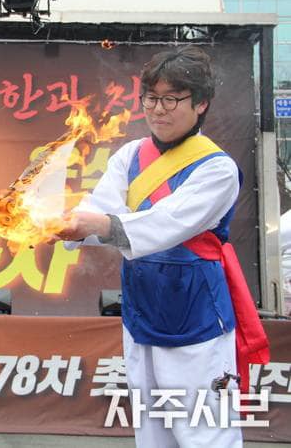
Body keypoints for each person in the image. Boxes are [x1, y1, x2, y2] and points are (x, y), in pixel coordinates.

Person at [54, 46, 269, 447]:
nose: (158, 109)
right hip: (143, 307)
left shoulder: (217, 168)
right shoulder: (130, 155)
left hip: (197, 309)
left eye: (171, 99)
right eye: (151, 98)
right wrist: (61, 224)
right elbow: (99, 210)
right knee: (153, 430)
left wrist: (96, 224)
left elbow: (167, 223)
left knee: (206, 430)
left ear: (201, 103)